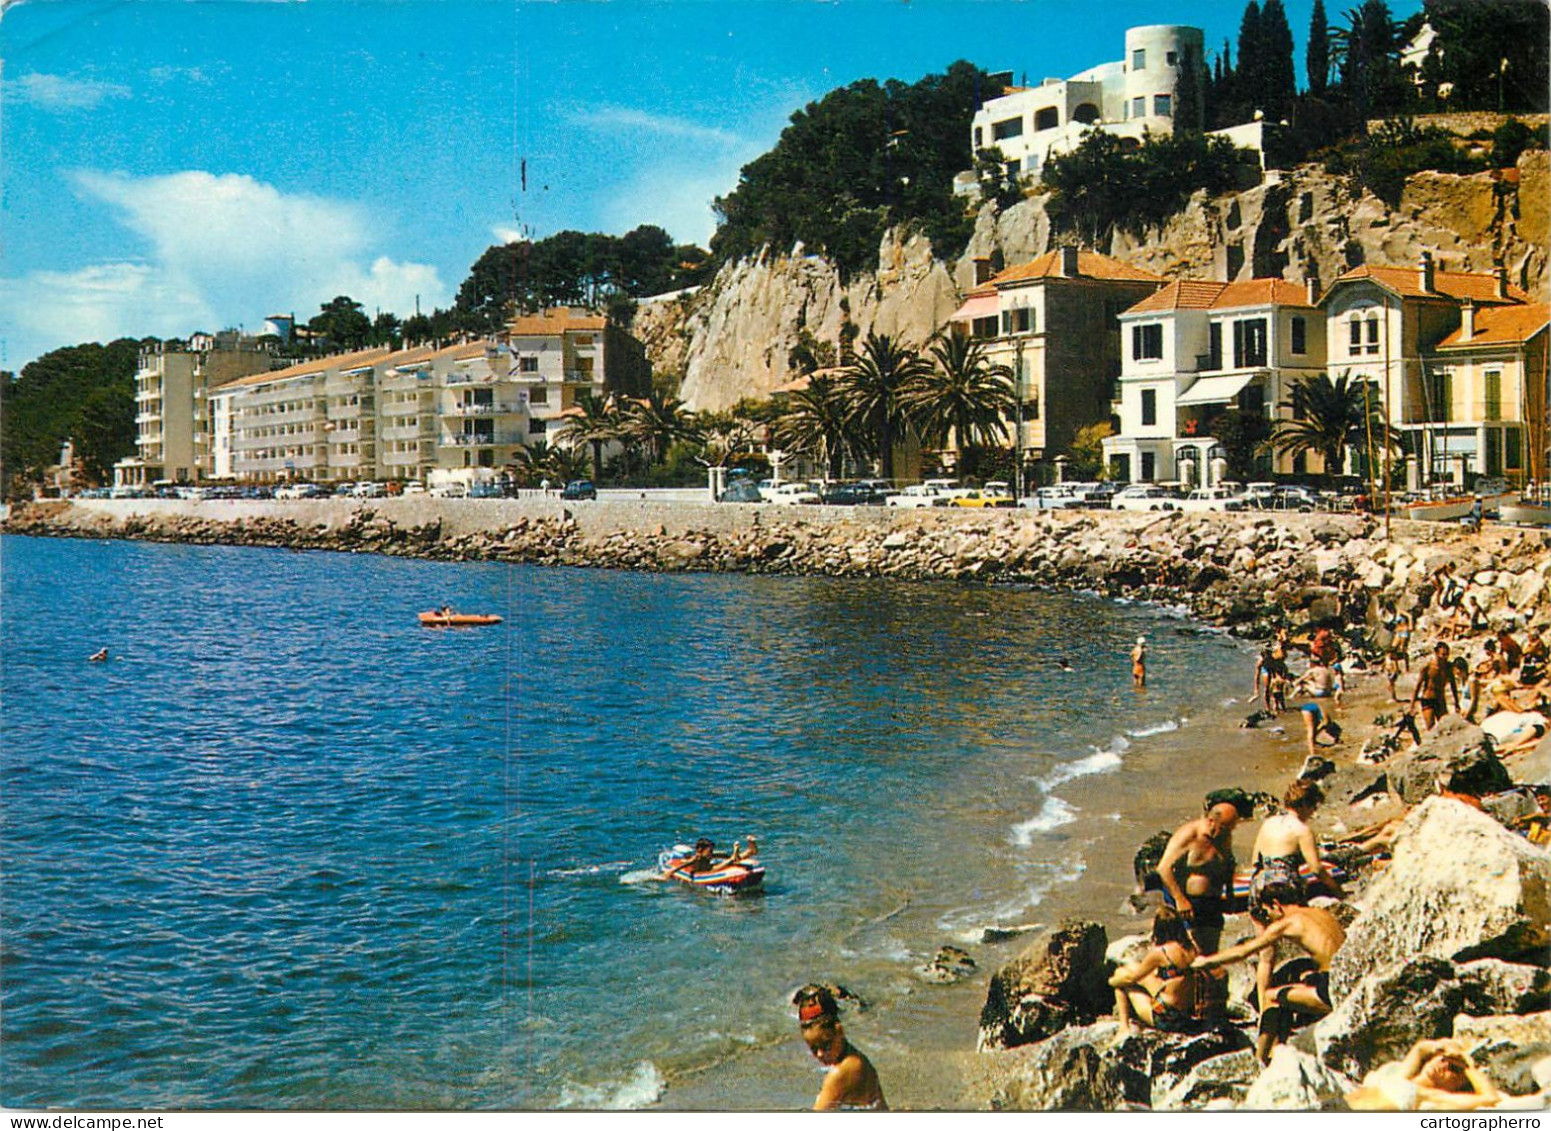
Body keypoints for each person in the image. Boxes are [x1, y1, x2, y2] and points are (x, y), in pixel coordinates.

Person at [1193, 882, 1346, 1064]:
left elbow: (1244, 951)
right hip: (1346, 976)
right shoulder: (1321, 913)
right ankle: (1280, 1049)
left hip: (1330, 989)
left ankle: (1260, 1060)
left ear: (1276, 904)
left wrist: (1207, 960)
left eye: (1267, 912)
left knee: (1270, 996)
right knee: (1297, 978)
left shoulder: (1285, 923)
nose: (1269, 918)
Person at [1156, 793, 1249, 954]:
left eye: (1232, 827)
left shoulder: (1224, 835)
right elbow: (1163, 868)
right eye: (1226, 828)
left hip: (1212, 903)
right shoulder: (1190, 835)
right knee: (1192, 952)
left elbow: (1228, 863)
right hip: (1188, 902)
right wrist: (1180, 899)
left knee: (1211, 953)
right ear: (1211, 821)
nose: (1230, 832)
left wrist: (1230, 894)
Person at [791, 985, 887, 1111]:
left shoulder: (842, 1073)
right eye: (813, 1049)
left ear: (839, 1031)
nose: (819, 1054)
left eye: (826, 1045)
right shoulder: (856, 1058)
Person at [1346, 1038, 1506, 1112]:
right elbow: (1420, 1048)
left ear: (1458, 1085)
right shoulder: (1401, 1075)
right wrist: (1445, 1048)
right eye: (1443, 1059)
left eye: (1453, 1069)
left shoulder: (1431, 1096)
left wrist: (1469, 1067)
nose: (1442, 1066)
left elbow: (1491, 1099)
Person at [1249, 780, 1344, 903]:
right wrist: (1336, 889)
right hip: (1284, 889)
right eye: (1314, 807)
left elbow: (1255, 861)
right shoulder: (1302, 830)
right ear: (1305, 805)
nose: (1312, 813)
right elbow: (1316, 869)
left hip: (1258, 889)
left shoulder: (1267, 823)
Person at [1109, 907, 1201, 1033]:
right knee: (1134, 969)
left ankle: (1123, 1028)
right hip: (1186, 1012)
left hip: (1166, 1017)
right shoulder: (1193, 947)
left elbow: (1132, 978)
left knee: (1122, 983)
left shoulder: (1160, 953)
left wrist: (1111, 982)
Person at [1411, 642, 1461, 730]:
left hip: (1440, 700)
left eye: (1447, 655)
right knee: (1431, 727)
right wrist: (1412, 705)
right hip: (1428, 700)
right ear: (1436, 653)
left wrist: (1456, 702)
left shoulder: (1448, 667)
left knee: (1445, 727)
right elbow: (1418, 687)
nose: (1445, 657)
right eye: (1443, 654)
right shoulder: (1427, 667)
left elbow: (1453, 685)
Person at [657, 836, 757, 880]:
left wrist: (731, 856)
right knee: (729, 861)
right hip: (707, 870)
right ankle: (746, 852)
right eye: (710, 851)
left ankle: (750, 851)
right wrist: (670, 873)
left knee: (730, 859)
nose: (711, 853)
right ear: (700, 850)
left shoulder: (708, 855)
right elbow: (683, 865)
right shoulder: (696, 858)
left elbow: (723, 855)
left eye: (712, 851)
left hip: (709, 868)